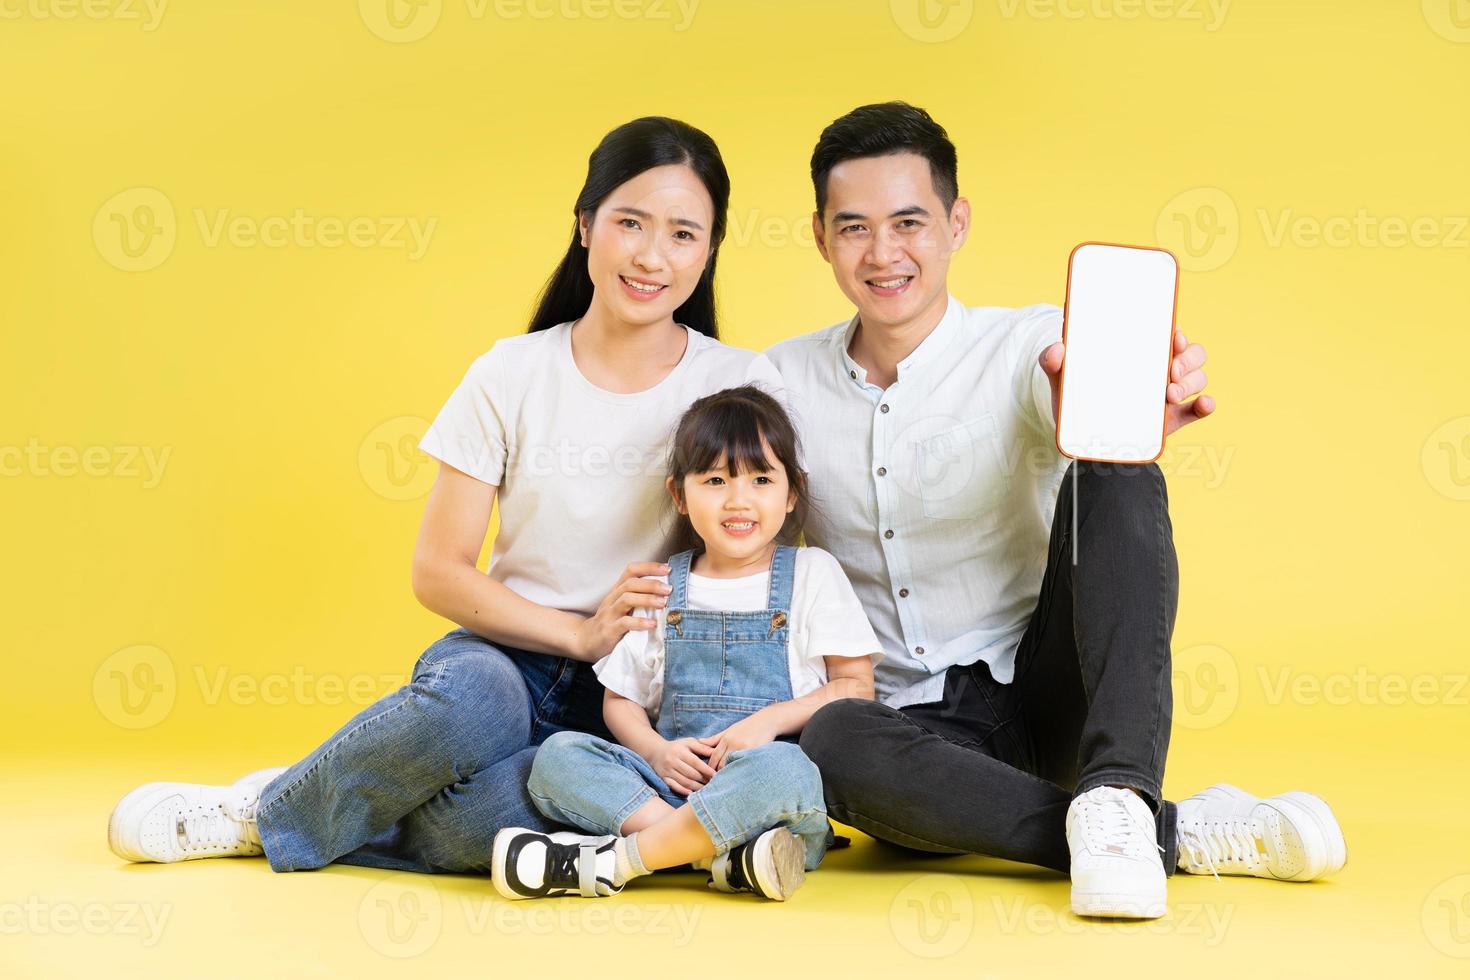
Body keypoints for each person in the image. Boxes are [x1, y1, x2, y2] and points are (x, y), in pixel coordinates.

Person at [105, 116, 788, 876]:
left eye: (684, 234)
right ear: (586, 223)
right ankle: (264, 813)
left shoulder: (740, 384)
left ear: (711, 248)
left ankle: (304, 797)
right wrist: (577, 636)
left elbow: (771, 556)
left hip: (642, 699)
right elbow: (439, 569)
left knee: (485, 819)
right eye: (631, 222)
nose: (652, 256)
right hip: (509, 658)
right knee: (475, 702)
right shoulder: (510, 373)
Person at [767, 102, 1347, 919]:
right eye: (855, 228)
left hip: (1048, 686)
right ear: (821, 237)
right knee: (830, 740)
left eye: (909, 222)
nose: (884, 253)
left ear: (956, 223)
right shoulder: (779, 382)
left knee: (1115, 464)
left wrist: (1115, 407)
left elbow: (1060, 381)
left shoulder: (1024, 342)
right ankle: (1162, 831)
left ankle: (1116, 788)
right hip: (920, 745)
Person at [492, 386, 881, 902]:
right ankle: (713, 853)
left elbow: (856, 687)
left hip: (763, 790)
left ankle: (624, 860)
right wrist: (656, 752)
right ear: (680, 495)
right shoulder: (662, 586)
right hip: (670, 788)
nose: (738, 500)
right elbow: (621, 701)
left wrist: (767, 723)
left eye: (761, 479)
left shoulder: (813, 573)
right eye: (715, 480)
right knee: (559, 754)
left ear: (791, 493)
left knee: (787, 770)